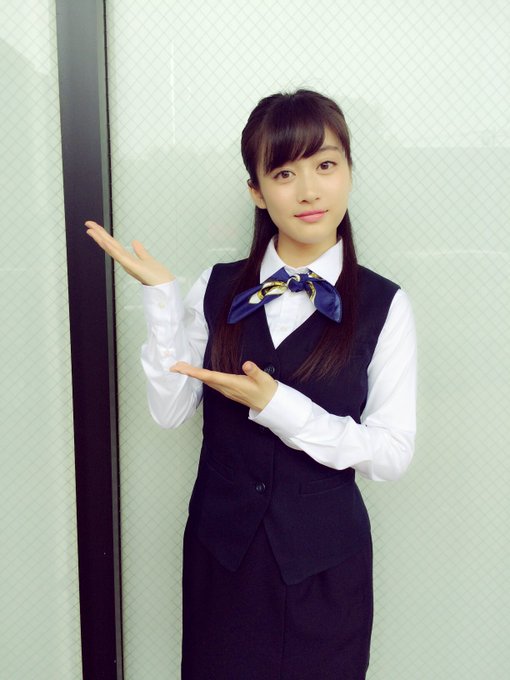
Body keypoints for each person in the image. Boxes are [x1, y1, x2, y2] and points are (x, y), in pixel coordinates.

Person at [85, 89, 417, 680]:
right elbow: (169, 411)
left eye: (325, 165)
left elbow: (391, 455)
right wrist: (161, 299)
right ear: (257, 192)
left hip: (324, 571)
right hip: (223, 563)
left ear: (348, 172)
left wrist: (280, 406)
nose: (309, 190)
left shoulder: (386, 304)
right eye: (284, 173)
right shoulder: (214, 288)